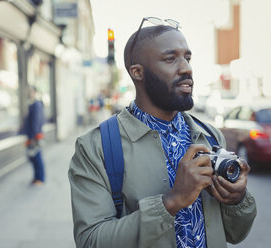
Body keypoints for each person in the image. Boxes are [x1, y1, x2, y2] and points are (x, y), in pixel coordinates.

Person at [68, 18, 256, 248]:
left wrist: (237, 199)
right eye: (170, 58)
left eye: (187, 58)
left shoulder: (210, 136)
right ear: (138, 72)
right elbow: (90, 241)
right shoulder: (95, 147)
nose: (186, 68)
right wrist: (171, 202)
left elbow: (236, 234)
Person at [21, 86, 46, 186]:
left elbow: (36, 122)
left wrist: (33, 137)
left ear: (35, 92)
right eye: (28, 91)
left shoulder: (36, 105)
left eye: (31, 91)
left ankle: (40, 178)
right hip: (33, 135)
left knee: (37, 156)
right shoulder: (34, 104)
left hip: (35, 136)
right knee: (34, 157)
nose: (29, 93)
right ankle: (37, 177)